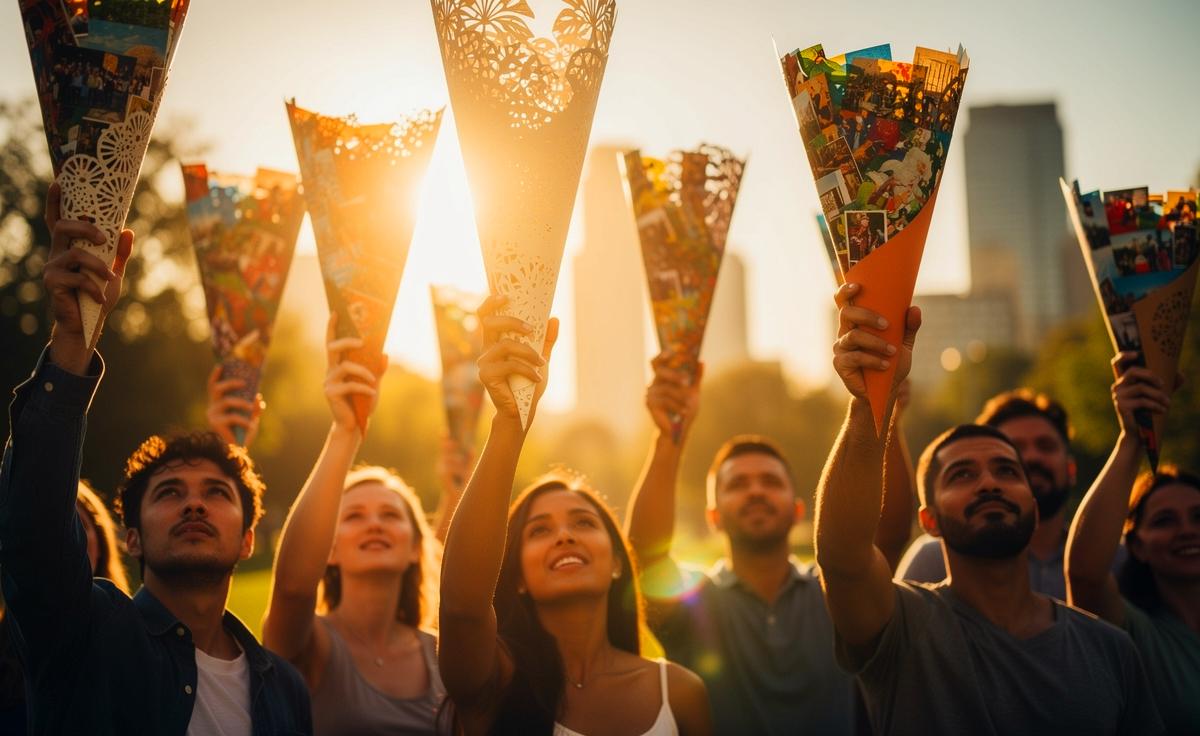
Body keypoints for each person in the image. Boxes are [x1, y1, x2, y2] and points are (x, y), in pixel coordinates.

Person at [0, 185, 311, 734]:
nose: (194, 503)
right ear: (133, 539)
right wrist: (73, 338)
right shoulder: (85, 633)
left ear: (248, 539)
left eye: (217, 492)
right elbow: (33, 523)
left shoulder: (286, 688)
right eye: (169, 492)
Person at [818, 280, 1162, 734]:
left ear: (1033, 509)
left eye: (1006, 470)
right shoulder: (900, 626)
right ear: (929, 520)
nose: (988, 483)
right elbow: (843, 556)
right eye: (962, 474)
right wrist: (868, 402)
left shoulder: (1111, 650)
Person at [438, 296, 711, 735]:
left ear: (618, 561)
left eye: (584, 522)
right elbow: (461, 607)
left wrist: (669, 440)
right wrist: (510, 421)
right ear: (517, 576)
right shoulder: (493, 680)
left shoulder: (680, 693)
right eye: (539, 530)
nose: (564, 535)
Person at [623, 350, 914, 735]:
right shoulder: (697, 603)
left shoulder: (836, 591)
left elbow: (889, 535)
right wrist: (668, 437)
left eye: (771, 481)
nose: (756, 491)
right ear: (713, 516)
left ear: (797, 511)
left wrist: (884, 413)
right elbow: (643, 556)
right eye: (737, 484)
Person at [262, 315, 448, 735]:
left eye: (390, 515)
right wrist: (345, 431)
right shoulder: (310, 644)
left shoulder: (445, 656)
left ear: (416, 547)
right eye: (354, 516)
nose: (374, 524)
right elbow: (292, 588)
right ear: (327, 549)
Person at [1066, 352, 1198, 734]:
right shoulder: (1136, 635)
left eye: (1198, 516)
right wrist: (1132, 440)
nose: (1187, 530)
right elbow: (1085, 576)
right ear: (1136, 545)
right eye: (1164, 521)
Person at [895, 387, 1128, 599]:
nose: (1032, 457)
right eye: (1015, 449)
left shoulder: (1117, 560)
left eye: (1045, 446)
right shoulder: (933, 559)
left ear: (1071, 469)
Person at [0, 480, 131, 731]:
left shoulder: (139, 645)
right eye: (47, 526)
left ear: (100, 545)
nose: (63, 539)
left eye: (77, 524)